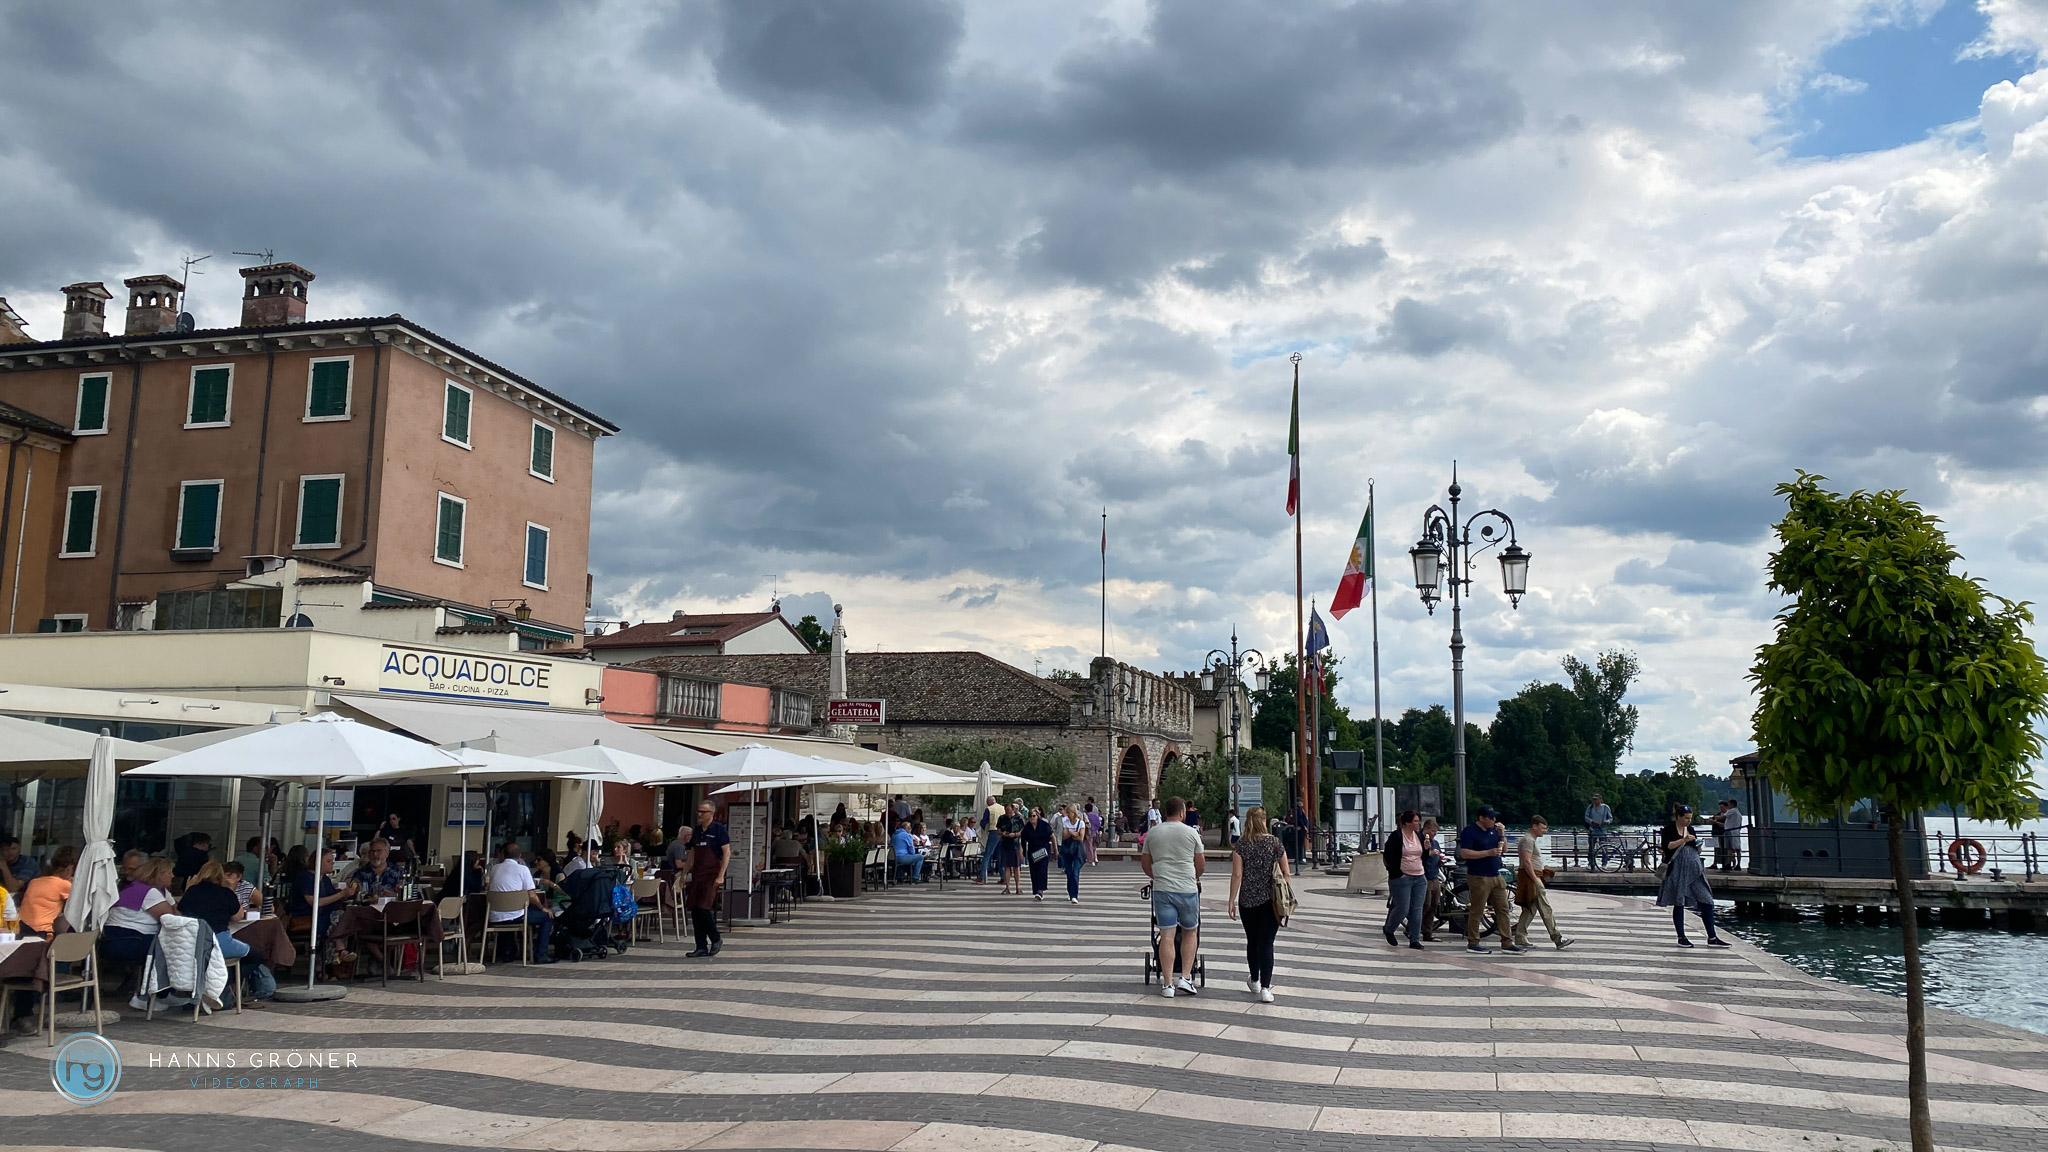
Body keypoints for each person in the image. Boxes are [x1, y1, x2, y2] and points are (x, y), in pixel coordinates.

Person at [179, 859, 273, 1004]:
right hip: (219, 941)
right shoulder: (225, 893)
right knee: (256, 955)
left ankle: (211, 984)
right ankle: (222, 983)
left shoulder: (191, 892)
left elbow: (181, 912)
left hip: (192, 943)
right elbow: (238, 916)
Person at [1142, 797, 1205, 998]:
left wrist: (1158, 876)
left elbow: (1145, 863)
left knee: (1166, 935)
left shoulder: (1153, 833)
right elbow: (1200, 863)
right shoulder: (1191, 833)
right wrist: (1194, 877)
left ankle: (1167, 984)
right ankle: (1185, 977)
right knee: (1190, 931)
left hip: (1163, 889)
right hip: (1187, 888)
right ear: (1182, 812)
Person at [106, 858, 185, 1008]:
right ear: (159, 874)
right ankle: (150, 996)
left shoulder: (147, 889)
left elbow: (175, 909)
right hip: (129, 940)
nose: (172, 876)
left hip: (114, 939)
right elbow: (171, 917)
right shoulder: (150, 892)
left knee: (166, 944)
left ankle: (159, 993)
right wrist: (173, 908)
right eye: (169, 872)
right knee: (170, 948)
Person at [1227, 805, 1287, 1002]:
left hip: (1248, 901)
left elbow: (1237, 875)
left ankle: (1254, 979)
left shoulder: (1241, 846)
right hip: (1271, 900)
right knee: (1267, 942)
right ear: (1264, 820)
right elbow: (1286, 872)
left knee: (1252, 940)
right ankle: (1266, 988)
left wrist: (1231, 901)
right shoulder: (1275, 843)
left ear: (1247, 821)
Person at [1657, 804, 1728, 947]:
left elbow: (1695, 847)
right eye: (1686, 818)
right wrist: (1683, 840)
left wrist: (1697, 844)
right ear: (1678, 817)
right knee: (1679, 901)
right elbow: (1667, 846)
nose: (1688, 821)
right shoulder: (1669, 829)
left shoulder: (1690, 829)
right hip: (1677, 870)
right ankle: (1681, 936)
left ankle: (1712, 937)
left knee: (1707, 900)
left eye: (1690, 818)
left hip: (1694, 871)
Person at [1459, 806, 1521, 954]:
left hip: (1495, 874)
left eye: (1494, 818)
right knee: (1477, 910)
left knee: (1503, 909)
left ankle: (1507, 942)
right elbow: (1464, 853)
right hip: (1479, 875)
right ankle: (1473, 942)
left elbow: (1504, 850)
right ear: (1481, 818)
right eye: (1491, 818)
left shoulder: (1494, 831)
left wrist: (1502, 834)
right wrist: (1488, 852)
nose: (1494, 820)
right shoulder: (1470, 831)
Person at [486, 842, 556, 963]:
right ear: (519, 856)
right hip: (517, 916)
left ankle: (507, 952)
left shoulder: (494, 869)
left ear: (504, 855)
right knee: (547, 918)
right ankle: (541, 955)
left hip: (495, 915)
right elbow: (532, 895)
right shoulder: (522, 869)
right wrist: (542, 907)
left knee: (508, 912)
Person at [1512, 816, 1574, 951]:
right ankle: (1557, 938)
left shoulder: (1530, 840)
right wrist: (1535, 878)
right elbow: (1527, 861)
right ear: (1535, 826)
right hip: (1532, 878)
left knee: (1530, 909)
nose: (1545, 831)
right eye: (1543, 828)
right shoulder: (1528, 840)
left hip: (1533, 876)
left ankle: (1520, 937)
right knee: (1545, 908)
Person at [684, 802, 732, 957]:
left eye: (703, 812)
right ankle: (700, 946)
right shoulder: (697, 831)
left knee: (704, 908)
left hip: (712, 875)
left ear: (711, 813)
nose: (699, 814)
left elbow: (726, 853)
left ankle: (716, 938)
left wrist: (721, 875)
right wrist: (684, 873)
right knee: (695, 910)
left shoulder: (719, 830)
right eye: (698, 811)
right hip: (698, 874)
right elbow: (691, 853)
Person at [1381, 810, 1435, 949]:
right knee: (1402, 908)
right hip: (1402, 877)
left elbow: (1423, 856)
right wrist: (1398, 873)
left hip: (1419, 876)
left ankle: (1414, 939)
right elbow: (1388, 857)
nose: (1418, 824)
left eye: (1418, 821)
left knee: (1417, 909)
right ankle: (1389, 928)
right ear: (1407, 822)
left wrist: (1426, 850)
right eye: (1416, 821)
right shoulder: (1396, 836)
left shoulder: (1419, 836)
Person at [20, 845, 77, 937]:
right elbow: (77, 905)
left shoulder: (34, 882)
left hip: (22, 928)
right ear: (70, 868)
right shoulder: (64, 885)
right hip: (43, 932)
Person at [1053, 802, 1087, 903]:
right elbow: (1064, 836)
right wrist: (1073, 834)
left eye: (1069, 813)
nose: (1067, 815)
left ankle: (1074, 895)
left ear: (1073, 813)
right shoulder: (1066, 822)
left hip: (1077, 850)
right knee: (1069, 872)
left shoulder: (1080, 823)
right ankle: (1070, 892)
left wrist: (1071, 833)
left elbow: (1081, 837)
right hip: (1067, 850)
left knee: (1075, 872)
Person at [1419, 818, 1444, 942]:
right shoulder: (1420, 840)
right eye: (1433, 831)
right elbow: (1419, 855)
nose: (1434, 834)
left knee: (1434, 905)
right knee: (1425, 904)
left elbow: (1436, 856)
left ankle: (1428, 932)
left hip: (1434, 876)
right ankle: (1412, 928)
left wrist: (1440, 858)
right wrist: (1429, 852)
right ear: (1426, 830)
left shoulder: (1435, 842)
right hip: (1424, 876)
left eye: (1436, 832)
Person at [1023, 806, 1054, 899]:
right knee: (1034, 871)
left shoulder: (1044, 825)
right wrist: (1022, 852)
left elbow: (1052, 837)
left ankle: (1040, 891)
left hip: (1043, 850)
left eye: (1033, 816)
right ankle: (1036, 890)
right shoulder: (1027, 827)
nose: (1031, 818)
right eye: (1030, 816)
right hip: (1032, 851)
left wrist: (1055, 850)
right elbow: (1023, 840)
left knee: (1042, 870)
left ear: (1037, 816)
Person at [995, 800, 1026, 895]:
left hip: (1015, 845)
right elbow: (998, 830)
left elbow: (1023, 831)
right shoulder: (1001, 818)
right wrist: (1002, 833)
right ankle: (1007, 887)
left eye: (1009, 811)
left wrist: (1015, 834)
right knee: (1006, 867)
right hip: (1005, 844)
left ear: (1013, 810)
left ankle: (1018, 887)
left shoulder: (1019, 818)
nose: (1008, 813)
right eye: (1006, 811)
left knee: (1016, 867)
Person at [978, 799, 1004, 884]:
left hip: (994, 831)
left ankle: (982, 877)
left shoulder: (989, 809)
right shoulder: (1002, 808)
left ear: (988, 802)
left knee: (987, 855)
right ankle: (1003, 877)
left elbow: (984, 822)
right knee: (1000, 856)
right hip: (1003, 833)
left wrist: (981, 828)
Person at [1584, 794, 1614, 862]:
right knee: (1591, 847)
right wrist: (1592, 821)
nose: (1594, 801)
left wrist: (1607, 821)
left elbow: (1610, 818)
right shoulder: (1590, 807)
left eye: (1596, 799)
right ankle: (1591, 863)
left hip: (1602, 829)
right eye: (1593, 799)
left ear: (1600, 800)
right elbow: (1586, 817)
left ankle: (1604, 863)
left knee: (1604, 847)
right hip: (1592, 830)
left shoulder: (1606, 807)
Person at [1083, 800, 1102, 865]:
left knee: (1089, 846)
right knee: (1094, 846)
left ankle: (1091, 859)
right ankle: (1095, 858)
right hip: (1095, 832)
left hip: (1089, 832)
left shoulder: (1086, 816)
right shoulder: (1095, 815)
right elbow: (1099, 824)